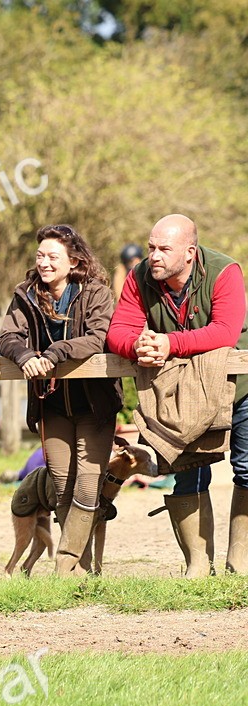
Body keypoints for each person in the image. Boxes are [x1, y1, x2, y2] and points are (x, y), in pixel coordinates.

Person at [107, 214, 248, 577]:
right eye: (151, 247)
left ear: (189, 252)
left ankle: (241, 563)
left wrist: (170, 343)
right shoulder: (140, 277)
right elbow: (118, 330)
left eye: (163, 249)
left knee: (246, 468)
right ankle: (198, 566)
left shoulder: (224, 271)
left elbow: (225, 331)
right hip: (182, 388)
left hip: (240, 381)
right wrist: (138, 346)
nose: (153, 255)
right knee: (186, 470)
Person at [0, 224, 121, 576]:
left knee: (87, 485)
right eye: (41, 256)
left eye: (53, 257)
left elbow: (99, 337)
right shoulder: (26, 294)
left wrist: (55, 353)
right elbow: (8, 336)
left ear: (73, 261)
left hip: (94, 404)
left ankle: (66, 565)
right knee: (62, 486)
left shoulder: (96, 292)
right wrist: (25, 356)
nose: (45, 263)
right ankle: (77, 570)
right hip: (50, 404)